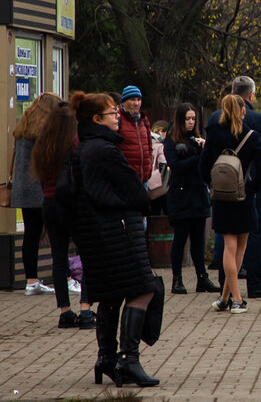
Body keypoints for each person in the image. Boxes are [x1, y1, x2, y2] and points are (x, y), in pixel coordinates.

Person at [69, 92, 159, 387]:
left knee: (110, 294)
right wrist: (142, 203)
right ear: (96, 120)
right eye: (112, 113)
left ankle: (106, 358)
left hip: (95, 232)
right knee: (143, 288)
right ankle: (128, 359)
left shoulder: (82, 149)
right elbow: (134, 191)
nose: (117, 116)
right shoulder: (105, 150)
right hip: (117, 230)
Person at [208, 76, 261, 298]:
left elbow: (207, 158)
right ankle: (253, 285)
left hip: (221, 188)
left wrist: (212, 183)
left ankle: (225, 288)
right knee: (252, 236)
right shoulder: (256, 119)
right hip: (250, 188)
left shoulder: (214, 118)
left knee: (224, 237)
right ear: (250, 95)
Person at [200, 94, 261, 314]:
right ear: (243, 111)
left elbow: (202, 168)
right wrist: (251, 189)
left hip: (221, 197)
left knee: (229, 247)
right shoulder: (251, 135)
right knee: (240, 247)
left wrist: (214, 185)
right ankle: (237, 300)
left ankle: (224, 297)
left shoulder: (213, 134)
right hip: (244, 196)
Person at [32, 101, 94, 328]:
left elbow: (41, 179)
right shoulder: (75, 143)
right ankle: (86, 309)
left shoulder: (43, 145)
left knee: (58, 259)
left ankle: (65, 312)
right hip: (72, 204)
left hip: (49, 203)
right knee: (88, 254)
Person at [163, 104, 219, 295]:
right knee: (180, 239)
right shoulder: (170, 140)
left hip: (198, 193)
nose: (191, 122)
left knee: (198, 240)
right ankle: (177, 279)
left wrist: (205, 151)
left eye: (193, 118)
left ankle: (202, 277)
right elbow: (175, 166)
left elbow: (206, 165)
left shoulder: (197, 140)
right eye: (187, 118)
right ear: (180, 119)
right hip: (180, 195)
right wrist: (198, 157)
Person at [12, 92, 62, 296]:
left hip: (23, 188)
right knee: (57, 233)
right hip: (41, 188)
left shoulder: (23, 129)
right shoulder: (45, 131)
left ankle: (31, 280)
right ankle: (64, 277)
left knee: (31, 234)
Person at [117, 85, 153, 184]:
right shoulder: (117, 120)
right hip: (125, 180)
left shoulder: (144, 120)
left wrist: (149, 167)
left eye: (138, 99)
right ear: (124, 102)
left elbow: (149, 147)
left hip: (144, 179)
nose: (136, 103)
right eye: (132, 99)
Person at [147, 121, 169, 215]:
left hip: (147, 185)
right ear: (160, 131)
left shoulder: (147, 143)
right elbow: (163, 164)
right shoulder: (161, 146)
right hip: (159, 187)